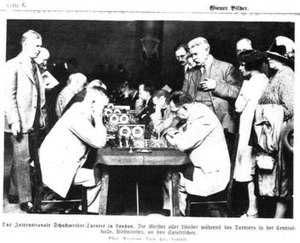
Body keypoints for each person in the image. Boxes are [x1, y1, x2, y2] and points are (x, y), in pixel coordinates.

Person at [39, 86, 109, 213]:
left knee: (96, 168)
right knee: (101, 175)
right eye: (103, 107)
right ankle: (83, 210)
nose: (103, 111)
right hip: (55, 169)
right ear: (93, 103)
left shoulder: (78, 109)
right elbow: (100, 142)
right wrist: (99, 118)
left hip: (57, 163)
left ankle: (82, 207)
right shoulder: (77, 116)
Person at [164, 91, 231, 215]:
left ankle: (178, 218)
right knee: (168, 172)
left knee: (171, 175)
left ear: (185, 107)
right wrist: (175, 133)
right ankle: (175, 214)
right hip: (201, 166)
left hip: (210, 174)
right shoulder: (195, 112)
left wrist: (171, 132)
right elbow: (181, 137)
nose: (175, 115)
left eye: (175, 111)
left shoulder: (203, 118)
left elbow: (182, 144)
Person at [4, 30, 46, 213]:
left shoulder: (35, 66)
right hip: (19, 120)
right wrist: (14, 121)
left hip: (33, 119)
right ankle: (26, 200)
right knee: (23, 159)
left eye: (40, 45)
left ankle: (13, 192)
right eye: (36, 46)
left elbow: (40, 93)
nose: (39, 49)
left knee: (21, 157)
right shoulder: (12, 65)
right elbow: (8, 96)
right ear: (25, 44)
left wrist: (42, 115)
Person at [253, 36, 294, 218]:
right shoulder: (277, 76)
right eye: (269, 56)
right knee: (276, 177)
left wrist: (266, 114)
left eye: (274, 56)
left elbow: (292, 108)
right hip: (272, 134)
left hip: (281, 134)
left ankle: (279, 219)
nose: (269, 59)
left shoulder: (286, 76)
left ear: (284, 58)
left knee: (282, 178)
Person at [182, 37, 240, 157]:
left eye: (196, 54)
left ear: (207, 49)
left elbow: (237, 92)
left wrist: (216, 86)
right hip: (198, 125)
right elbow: (184, 97)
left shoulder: (226, 67)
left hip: (221, 123)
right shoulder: (190, 73)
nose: (194, 58)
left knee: (221, 159)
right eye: (192, 55)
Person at [234, 50, 269, 218]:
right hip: (261, 130)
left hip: (248, 129)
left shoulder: (249, 83)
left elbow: (238, 107)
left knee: (247, 170)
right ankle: (254, 209)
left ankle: (252, 210)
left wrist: (242, 89)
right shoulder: (266, 80)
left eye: (242, 65)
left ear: (250, 65)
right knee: (256, 170)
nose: (240, 68)